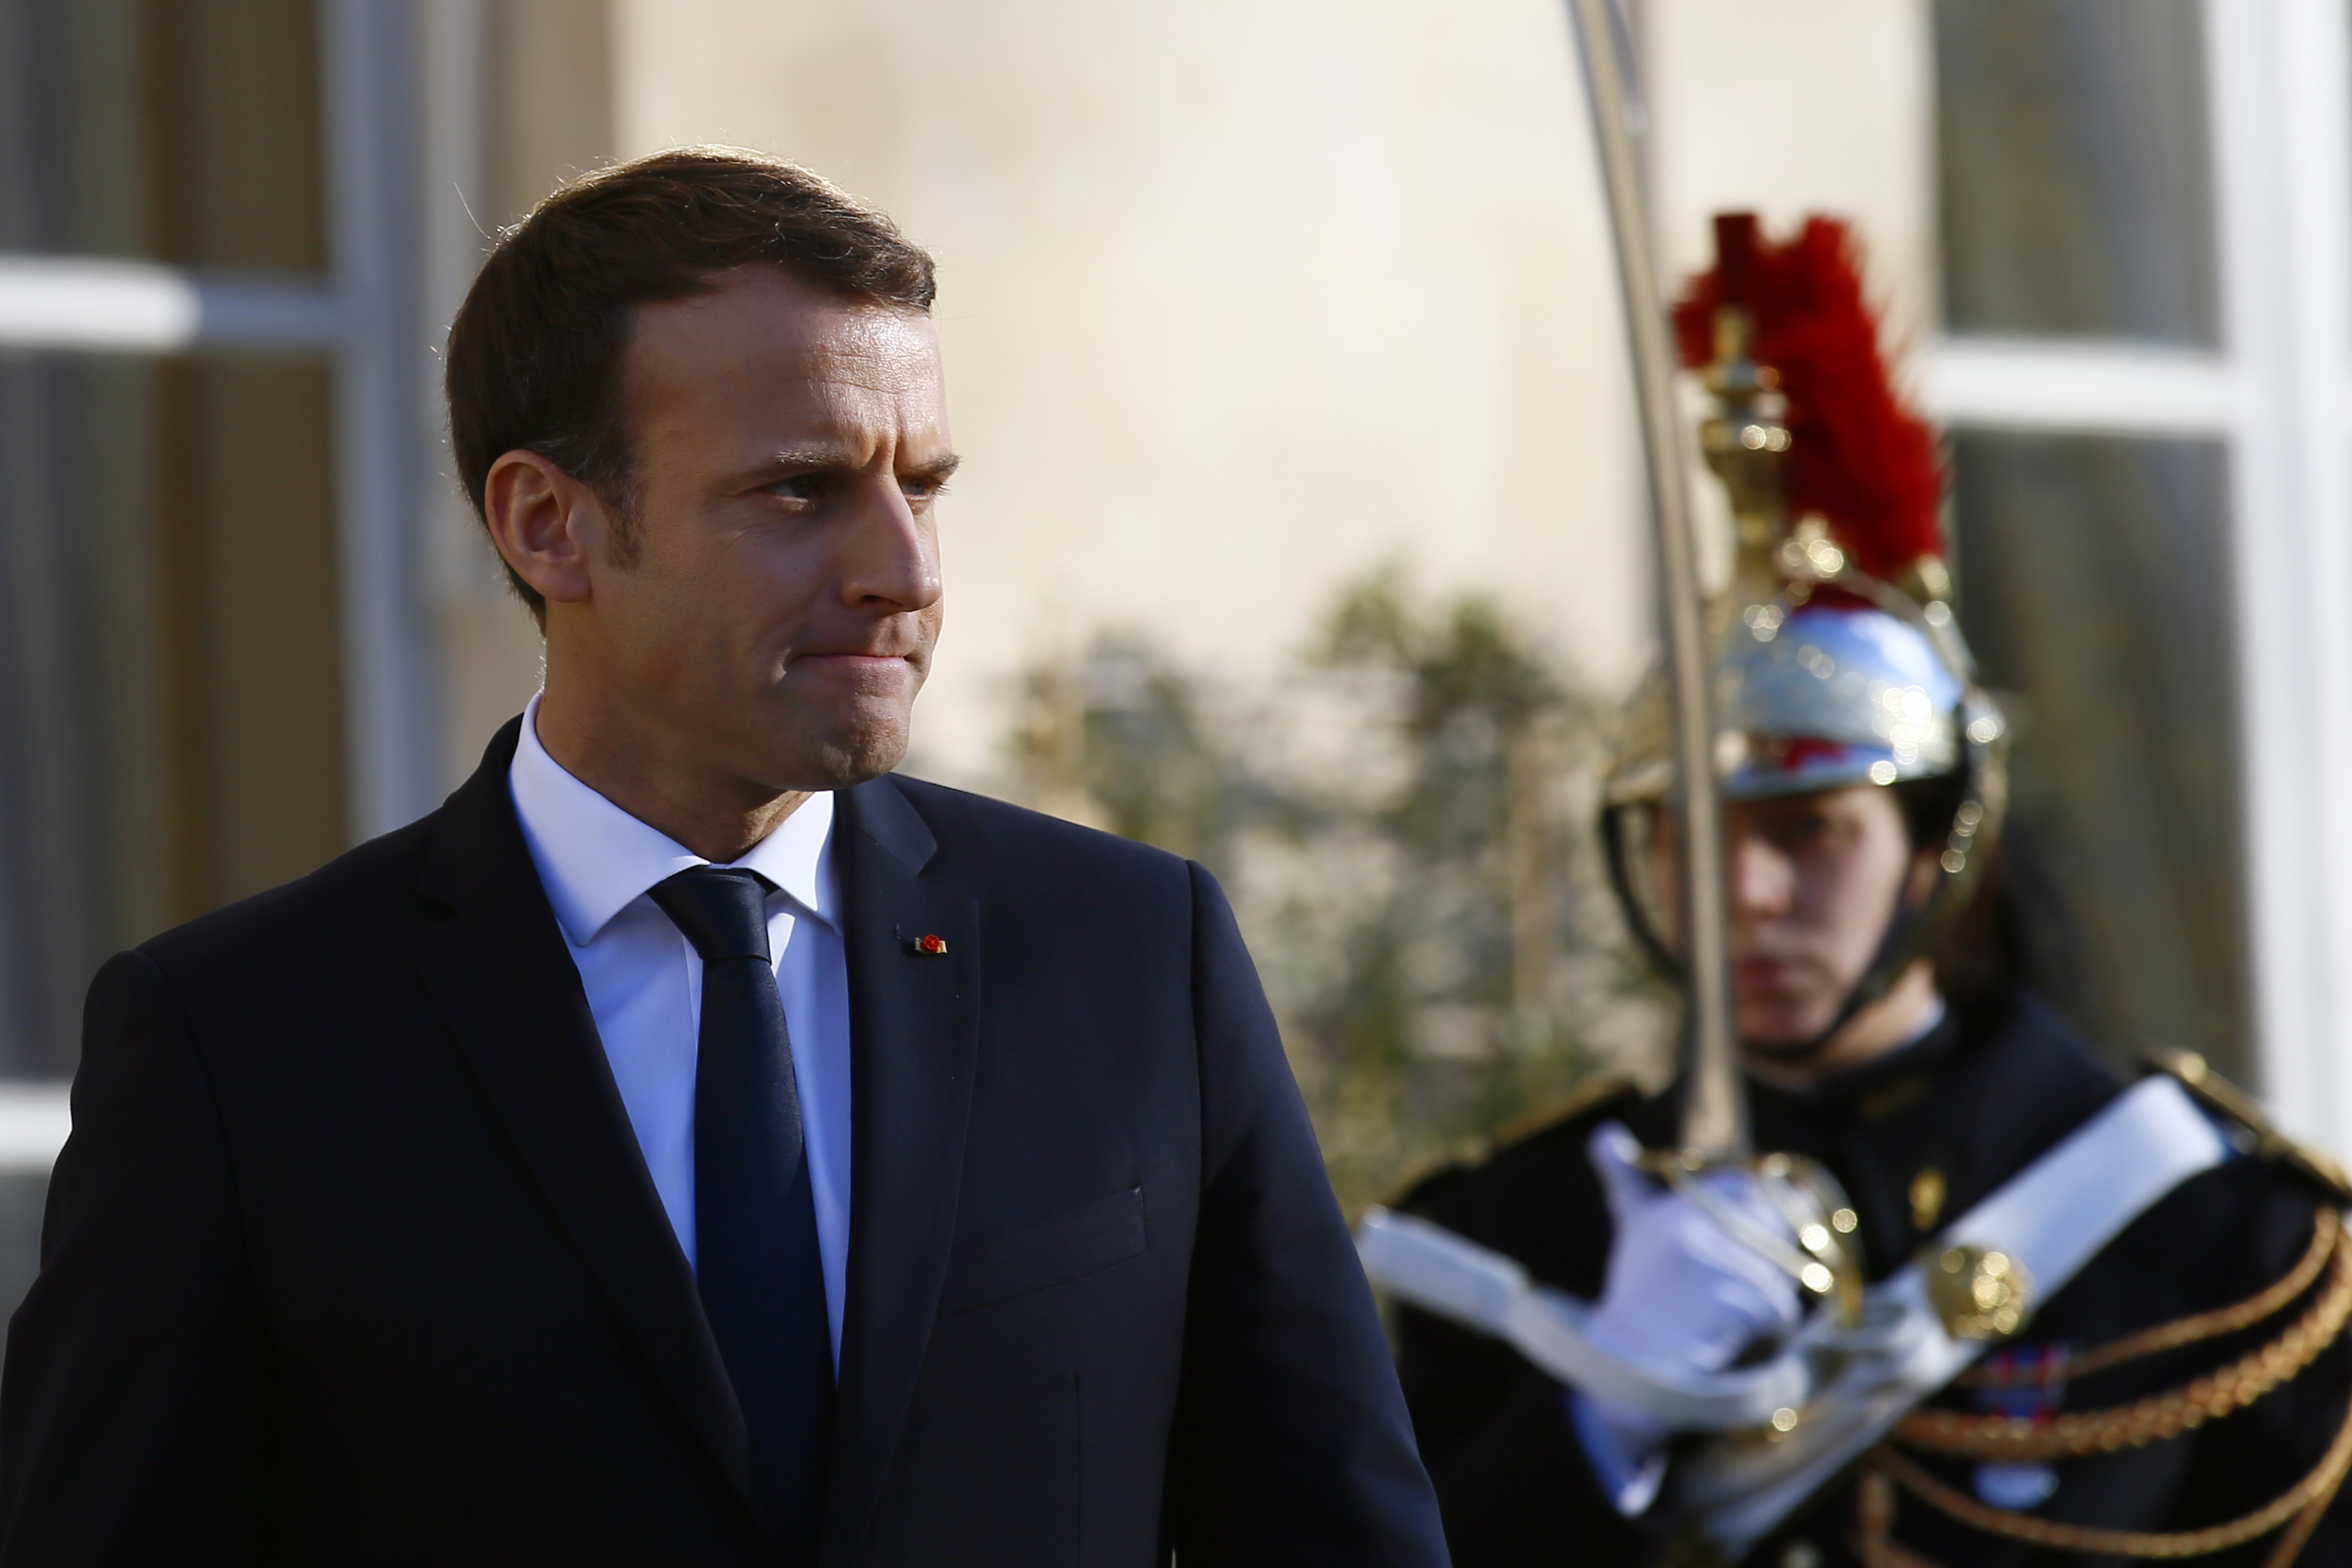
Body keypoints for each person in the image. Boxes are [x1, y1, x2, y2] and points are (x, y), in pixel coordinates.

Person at [0, 149, 1449, 1568]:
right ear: (549, 523)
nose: (907, 570)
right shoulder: (243, 1045)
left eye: (924, 485)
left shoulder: (1135, 957)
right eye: (801, 491)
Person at [1388, 215, 2352, 1566]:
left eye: (1814, 833)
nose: (1750, 897)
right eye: (1695, 837)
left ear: (1934, 841)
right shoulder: (1509, 1236)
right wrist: (1599, 1413)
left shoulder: (2219, 1240)